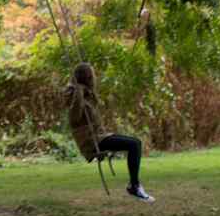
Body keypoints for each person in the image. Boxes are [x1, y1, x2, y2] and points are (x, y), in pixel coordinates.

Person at [65, 62, 154, 202]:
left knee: (135, 143)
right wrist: (78, 92)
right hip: (92, 141)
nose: (94, 79)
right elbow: (75, 118)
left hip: (100, 137)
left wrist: (84, 92)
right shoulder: (73, 95)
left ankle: (134, 185)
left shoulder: (86, 94)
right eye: (92, 76)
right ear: (87, 77)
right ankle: (134, 186)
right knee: (134, 145)